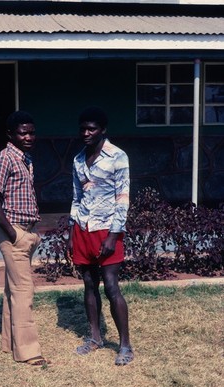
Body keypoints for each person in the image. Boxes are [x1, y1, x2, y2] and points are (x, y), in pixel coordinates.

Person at [67, 106, 134, 366]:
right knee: (88, 283)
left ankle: (125, 345)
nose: (86, 133)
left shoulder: (117, 157)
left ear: (102, 130)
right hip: (83, 227)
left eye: (91, 128)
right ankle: (94, 338)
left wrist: (113, 235)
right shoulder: (78, 159)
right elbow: (76, 197)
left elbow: (123, 199)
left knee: (111, 285)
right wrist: (71, 231)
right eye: (82, 128)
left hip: (108, 229)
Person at [0, 110, 50, 367]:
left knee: (12, 289)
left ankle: (10, 342)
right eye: (23, 132)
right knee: (24, 290)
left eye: (32, 132)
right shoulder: (4, 159)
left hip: (26, 230)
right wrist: (14, 235)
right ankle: (29, 352)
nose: (28, 136)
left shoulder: (26, 160)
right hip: (13, 232)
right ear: (10, 135)